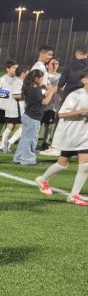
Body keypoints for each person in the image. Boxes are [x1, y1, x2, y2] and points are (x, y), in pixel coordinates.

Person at [34, 68, 88, 206]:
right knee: (62, 164)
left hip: (84, 135)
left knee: (85, 165)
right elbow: (62, 114)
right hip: (70, 134)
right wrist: (82, 111)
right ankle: (42, 179)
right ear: (84, 80)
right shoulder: (76, 95)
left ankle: (74, 195)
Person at [12, 69, 57, 166]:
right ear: (36, 79)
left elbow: (40, 98)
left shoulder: (30, 88)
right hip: (33, 118)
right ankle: (28, 160)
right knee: (31, 140)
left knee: (24, 139)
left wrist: (48, 90)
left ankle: (18, 157)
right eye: (41, 78)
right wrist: (51, 92)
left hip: (28, 116)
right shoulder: (35, 90)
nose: (42, 80)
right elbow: (44, 102)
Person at [0, 62, 23, 150]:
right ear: (7, 69)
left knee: (10, 124)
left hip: (11, 106)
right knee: (0, 122)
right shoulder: (2, 79)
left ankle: (4, 141)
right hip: (2, 105)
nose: (15, 69)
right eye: (13, 68)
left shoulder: (16, 79)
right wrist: (5, 93)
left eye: (16, 68)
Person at [39, 58, 63, 153]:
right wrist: (51, 88)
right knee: (37, 124)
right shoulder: (43, 75)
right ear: (47, 65)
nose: (54, 65)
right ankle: (32, 141)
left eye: (56, 63)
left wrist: (54, 89)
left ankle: (45, 143)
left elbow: (62, 89)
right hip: (41, 103)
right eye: (52, 63)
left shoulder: (61, 77)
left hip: (53, 105)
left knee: (48, 125)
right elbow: (40, 85)